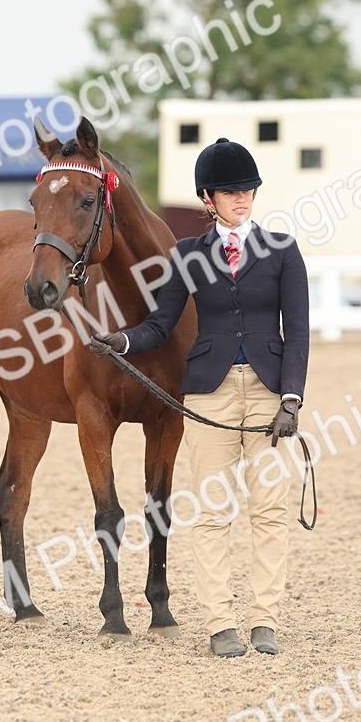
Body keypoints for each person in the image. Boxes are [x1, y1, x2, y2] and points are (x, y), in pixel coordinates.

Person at [89, 137, 310, 657]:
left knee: (270, 510)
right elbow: (161, 324)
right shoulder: (188, 255)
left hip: (268, 394)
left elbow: (298, 332)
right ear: (208, 198)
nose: (242, 198)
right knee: (213, 511)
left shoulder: (283, 250)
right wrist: (121, 342)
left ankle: (264, 620)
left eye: (247, 190)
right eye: (230, 191)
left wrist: (291, 399)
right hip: (209, 394)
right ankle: (220, 623)